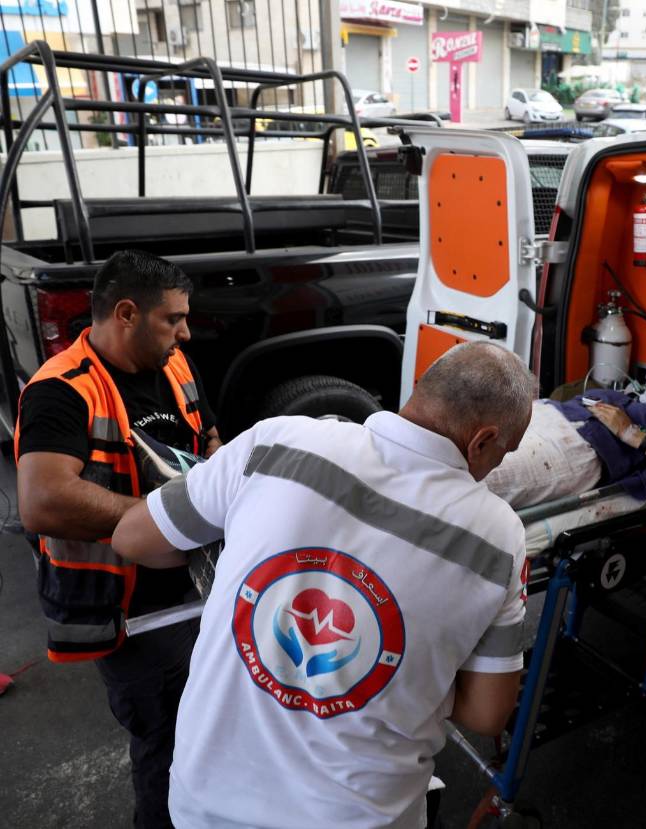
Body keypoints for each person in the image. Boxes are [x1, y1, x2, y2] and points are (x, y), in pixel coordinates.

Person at [111, 342, 535, 829]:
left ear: (421, 390)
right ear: (483, 440)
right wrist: (413, 672)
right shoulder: (499, 538)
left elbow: (131, 538)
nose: (497, 465)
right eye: (504, 453)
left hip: (203, 804)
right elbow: (487, 714)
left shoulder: (277, 441)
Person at [14, 249, 220, 829]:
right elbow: (43, 500)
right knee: (168, 746)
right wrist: (168, 519)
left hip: (199, 593)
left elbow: (206, 437)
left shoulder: (176, 366)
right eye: (173, 319)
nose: (185, 333)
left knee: (210, 735)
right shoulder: (60, 390)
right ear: (127, 313)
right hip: (133, 615)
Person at [484, 387, 646, 508]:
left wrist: (631, 433)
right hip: (547, 413)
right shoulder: (628, 396)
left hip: (577, 445)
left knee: (481, 479)